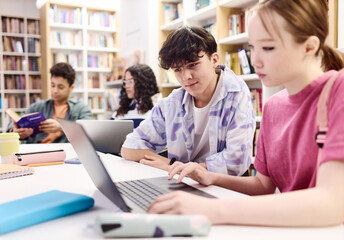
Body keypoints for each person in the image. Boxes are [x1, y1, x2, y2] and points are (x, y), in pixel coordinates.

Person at [147, 0, 344, 227]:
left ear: (309, 47)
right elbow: (263, 186)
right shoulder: (273, 107)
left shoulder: (338, 90)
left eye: (268, 48)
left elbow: (333, 203)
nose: (255, 60)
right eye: (252, 47)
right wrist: (210, 176)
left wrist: (213, 209)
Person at [121, 26, 255, 175]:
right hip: (183, 182)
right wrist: (172, 165)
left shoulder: (236, 94)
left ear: (214, 60)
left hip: (224, 188)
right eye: (177, 69)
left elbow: (236, 162)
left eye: (193, 65)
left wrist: (176, 169)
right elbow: (129, 148)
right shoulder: (173, 102)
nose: (186, 77)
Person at [7, 62, 92, 143]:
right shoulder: (38, 106)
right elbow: (13, 125)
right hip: (34, 151)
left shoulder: (81, 109)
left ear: (71, 87)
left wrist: (61, 127)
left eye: (61, 87)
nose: (55, 91)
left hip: (63, 152)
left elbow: (88, 131)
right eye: (52, 85)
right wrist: (16, 131)